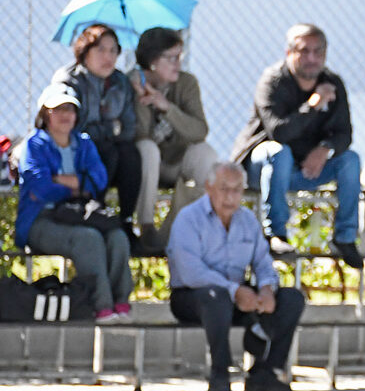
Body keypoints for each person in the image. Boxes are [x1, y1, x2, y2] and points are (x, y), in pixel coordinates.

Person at [166, 161, 306, 391]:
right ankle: (220, 373)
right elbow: (191, 273)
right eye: (224, 188)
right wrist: (234, 290)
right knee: (216, 296)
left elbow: (262, 262)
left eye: (236, 190)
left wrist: (267, 289)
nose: (230, 196)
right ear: (209, 187)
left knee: (292, 299)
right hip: (193, 296)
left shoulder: (247, 220)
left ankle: (267, 372)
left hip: (238, 297)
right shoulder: (188, 219)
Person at [231, 24, 363, 268]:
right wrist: (313, 105)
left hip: (309, 168)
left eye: (318, 51)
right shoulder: (272, 81)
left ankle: (345, 237)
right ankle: (276, 234)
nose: (312, 58)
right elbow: (279, 132)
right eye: (304, 51)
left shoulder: (333, 83)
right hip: (267, 167)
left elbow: (345, 133)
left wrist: (325, 149)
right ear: (289, 52)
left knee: (350, 160)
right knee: (279, 152)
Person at [15, 83, 133, 325]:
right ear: (45, 114)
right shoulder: (34, 145)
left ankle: (121, 304)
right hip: (41, 220)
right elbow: (40, 188)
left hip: (79, 216)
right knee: (88, 239)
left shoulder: (85, 143)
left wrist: (61, 180)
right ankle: (101, 306)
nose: (65, 115)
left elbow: (99, 179)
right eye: (58, 109)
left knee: (117, 237)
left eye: (70, 109)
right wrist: (78, 186)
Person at [52, 24, 142, 246]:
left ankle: (127, 221)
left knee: (130, 153)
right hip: (79, 155)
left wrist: (106, 129)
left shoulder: (121, 82)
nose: (108, 57)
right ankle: (93, 211)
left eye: (113, 51)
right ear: (85, 51)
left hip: (114, 152)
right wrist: (111, 128)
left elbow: (130, 128)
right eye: (101, 50)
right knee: (104, 148)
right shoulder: (70, 80)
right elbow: (75, 129)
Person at [130, 27, 218, 255]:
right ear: (151, 61)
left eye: (180, 57)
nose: (178, 64)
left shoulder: (186, 83)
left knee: (206, 154)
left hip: (178, 160)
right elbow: (140, 136)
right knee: (148, 149)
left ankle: (198, 226)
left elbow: (200, 131)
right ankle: (147, 226)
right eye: (172, 58)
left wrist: (167, 107)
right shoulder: (131, 83)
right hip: (147, 165)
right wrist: (143, 101)